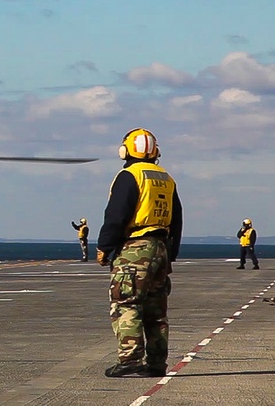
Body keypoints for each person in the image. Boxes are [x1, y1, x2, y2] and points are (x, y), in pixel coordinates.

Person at [97, 128, 182, 378]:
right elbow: (176, 219)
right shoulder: (165, 178)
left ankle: (130, 358)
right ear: (155, 151)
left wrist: (105, 247)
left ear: (125, 150)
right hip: (161, 248)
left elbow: (116, 215)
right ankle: (157, 363)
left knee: (126, 303)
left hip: (135, 247)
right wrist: (170, 254)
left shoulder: (129, 175)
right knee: (156, 310)